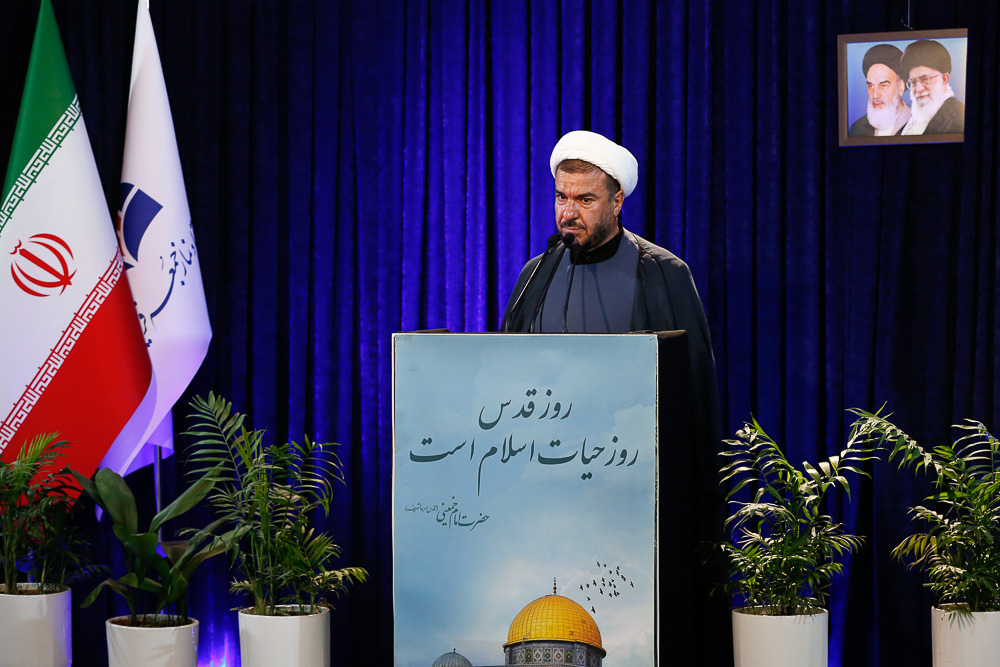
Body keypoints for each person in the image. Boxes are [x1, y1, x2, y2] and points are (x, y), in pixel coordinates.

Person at [500, 129, 719, 438]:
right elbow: (505, 373)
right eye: (561, 197)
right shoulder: (536, 273)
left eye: (585, 200)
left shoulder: (663, 273)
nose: (569, 213)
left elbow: (694, 395)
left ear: (617, 202)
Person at [900, 39, 965, 135]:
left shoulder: (959, 119)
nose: (918, 89)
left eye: (925, 79)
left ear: (944, 79)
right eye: (913, 82)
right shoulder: (911, 122)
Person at [848, 44, 910, 137]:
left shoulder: (920, 124)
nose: (875, 95)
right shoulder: (858, 128)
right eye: (871, 86)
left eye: (883, 86)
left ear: (900, 87)